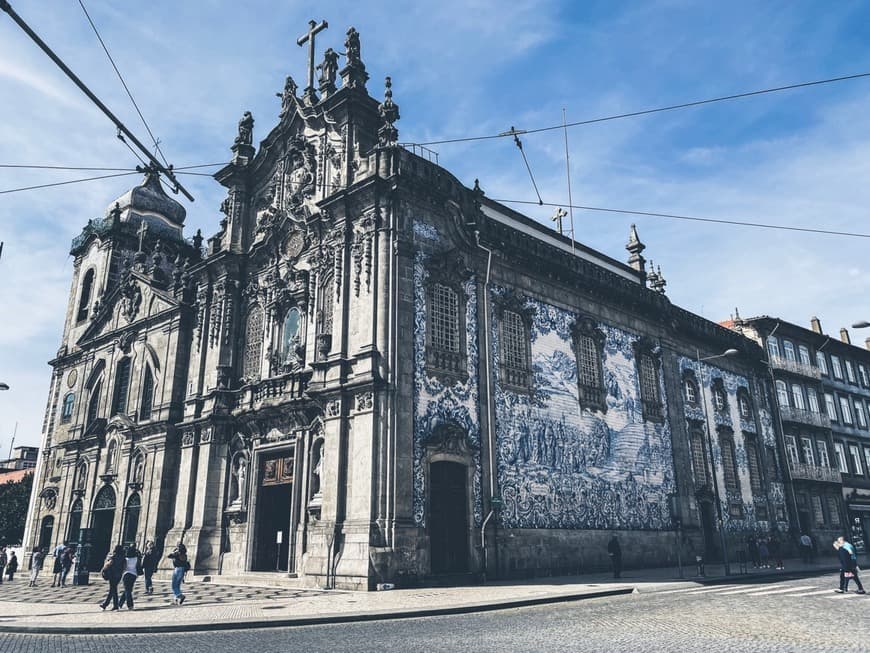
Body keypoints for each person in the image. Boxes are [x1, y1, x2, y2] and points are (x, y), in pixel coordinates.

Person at [99, 545, 125, 611]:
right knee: (112, 589)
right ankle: (105, 604)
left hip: (112, 575)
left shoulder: (114, 556)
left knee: (113, 590)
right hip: (119, 575)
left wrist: (103, 569)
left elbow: (108, 564)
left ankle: (115, 605)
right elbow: (124, 567)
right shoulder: (123, 557)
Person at [119, 545, 142, 610]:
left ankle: (130, 605)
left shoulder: (125, 559)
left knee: (127, 590)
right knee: (128, 589)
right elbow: (138, 567)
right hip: (133, 575)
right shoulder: (136, 559)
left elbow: (123, 567)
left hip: (126, 574)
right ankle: (120, 603)